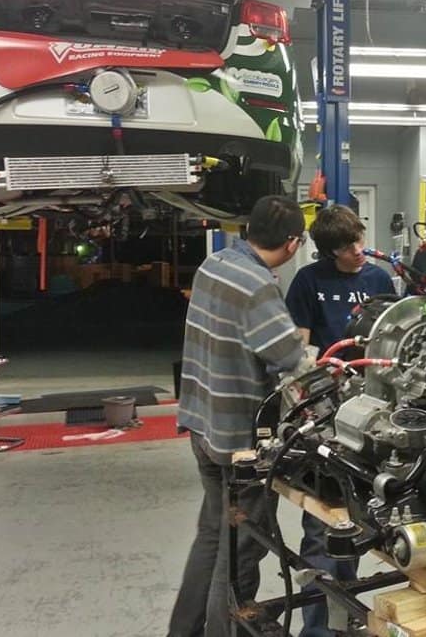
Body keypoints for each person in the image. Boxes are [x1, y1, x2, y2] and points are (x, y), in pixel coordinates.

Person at [168, 195, 308, 637]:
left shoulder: (214, 265)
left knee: (212, 536)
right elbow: (288, 354)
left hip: (202, 427)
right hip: (239, 445)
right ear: (292, 244)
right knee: (238, 554)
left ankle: (183, 631)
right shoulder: (257, 286)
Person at [285, 204, 395, 637]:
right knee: (322, 524)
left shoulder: (379, 279)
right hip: (330, 410)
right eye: (348, 247)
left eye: (359, 240)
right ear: (328, 252)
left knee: (360, 521)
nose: (359, 251)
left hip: (375, 407)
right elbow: (300, 345)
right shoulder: (309, 281)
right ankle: (317, 629)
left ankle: (345, 615)